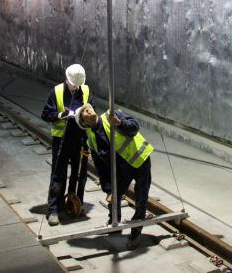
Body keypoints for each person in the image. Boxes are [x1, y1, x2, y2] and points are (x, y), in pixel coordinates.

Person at [75, 103, 153, 247]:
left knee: (141, 198)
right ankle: (114, 221)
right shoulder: (91, 139)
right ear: (84, 123)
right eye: (83, 112)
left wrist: (120, 123)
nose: (87, 109)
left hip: (140, 160)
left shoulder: (112, 115)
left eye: (88, 107)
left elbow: (135, 127)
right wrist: (108, 188)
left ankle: (135, 232)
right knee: (113, 196)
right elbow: (101, 167)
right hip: (123, 169)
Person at [40, 64, 90, 226]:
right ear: (67, 79)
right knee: (58, 175)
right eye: (73, 83)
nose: (75, 86)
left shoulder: (86, 90)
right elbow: (46, 114)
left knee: (79, 175)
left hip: (80, 139)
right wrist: (61, 115)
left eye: (78, 84)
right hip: (61, 140)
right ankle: (54, 209)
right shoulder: (57, 91)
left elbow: (91, 112)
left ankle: (74, 203)